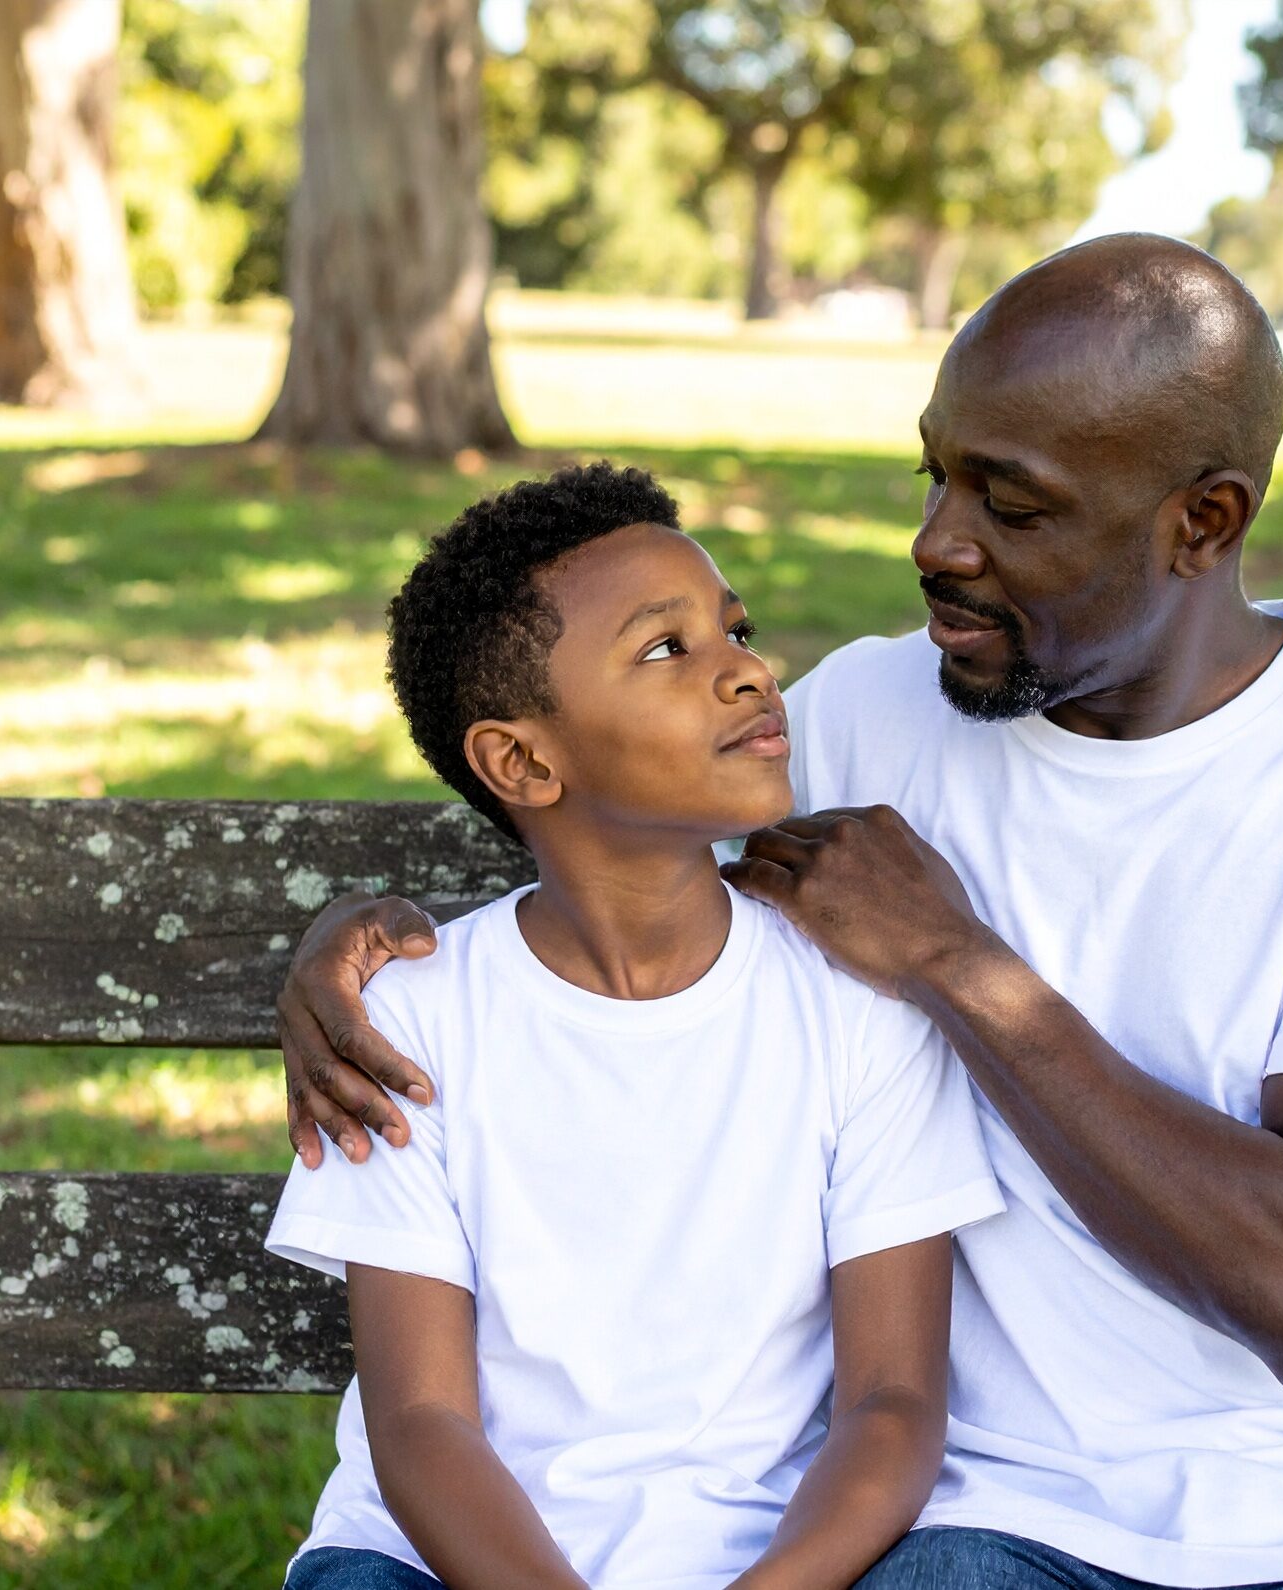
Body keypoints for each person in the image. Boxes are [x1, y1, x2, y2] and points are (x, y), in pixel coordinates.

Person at [277, 235, 1283, 1590]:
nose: (934, 545)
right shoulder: (855, 716)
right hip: (996, 1516)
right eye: (936, 473)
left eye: (1010, 507)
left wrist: (958, 963)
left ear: (1202, 523)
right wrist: (358, 946)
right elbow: (608, 867)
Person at [265, 463, 1004, 1590]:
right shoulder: (411, 1029)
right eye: (668, 650)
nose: (747, 671)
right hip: (439, 1562)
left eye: (736, 630)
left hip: (770, 1560)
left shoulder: (857, 1003)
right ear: (521, 760)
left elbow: (893, 1403)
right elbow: (420, 1429)